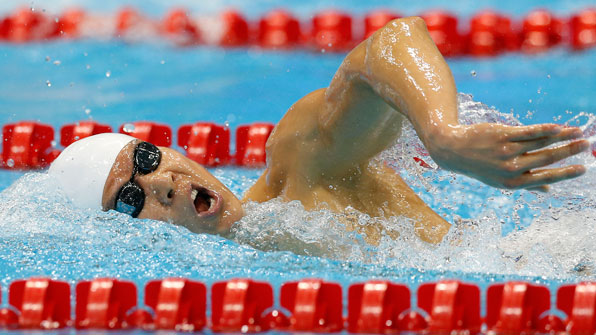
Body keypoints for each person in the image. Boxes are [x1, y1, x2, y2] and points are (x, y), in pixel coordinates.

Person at [49, 17, 589, 245]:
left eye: (146, 162)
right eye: (128, 200)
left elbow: (392, 42)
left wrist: (442, 135)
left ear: (168, 150)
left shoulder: (297, 169)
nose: (160, 185)